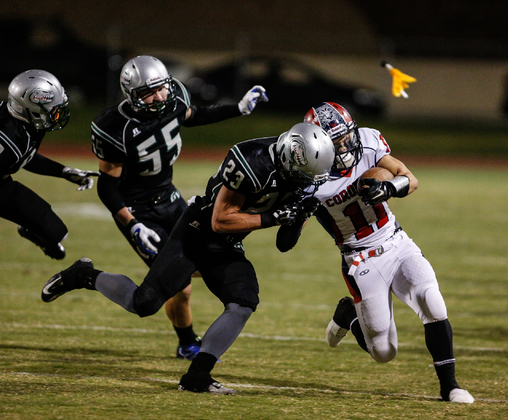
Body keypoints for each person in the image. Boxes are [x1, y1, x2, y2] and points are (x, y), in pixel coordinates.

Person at [41, 122, 335, 394]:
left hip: (228, 244)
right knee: (143, 303)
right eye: (302, 174)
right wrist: (272, 217)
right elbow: (219, 221)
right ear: (289, 156)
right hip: (196, 233)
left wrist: (298, 217)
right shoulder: (252, 160)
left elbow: (285, 244)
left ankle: (197, 377)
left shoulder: (305, 178)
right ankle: (83, 275)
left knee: (243, 302)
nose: (305, 182)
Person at [293, 102, 474, 403]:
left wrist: (389, 189)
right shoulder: (310, 176)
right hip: (359, 258)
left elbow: (410, 178)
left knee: (432, 301)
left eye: (346, 136)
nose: (346, 145)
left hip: (395, 242)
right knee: (384, 352)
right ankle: (348, 316)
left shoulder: (368, 142)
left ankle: (450, 386)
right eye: (336, 142)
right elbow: (290, 235)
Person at [90, 55, 268, 360]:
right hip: (138, 210)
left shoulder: (173, 98)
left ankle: (186, 341)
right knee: (178, 285)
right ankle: (186, 342)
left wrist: (237, 108)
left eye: (160, 88)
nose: (158, 96)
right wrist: (131, 223)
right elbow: (107, 185)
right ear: (131, 95)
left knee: (196, 265)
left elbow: (192, 115)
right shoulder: (114, 126)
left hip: (170, 198)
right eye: (148, 92)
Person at [0, 69, 98, 260]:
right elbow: (15, 154)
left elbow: (25, 156)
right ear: (31, 109)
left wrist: (63, 171)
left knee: (56, 232)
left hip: (3, 183)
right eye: (52, 109)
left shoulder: (25, 123)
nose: (57, 114)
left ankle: (31, 231)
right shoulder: (7, 143)